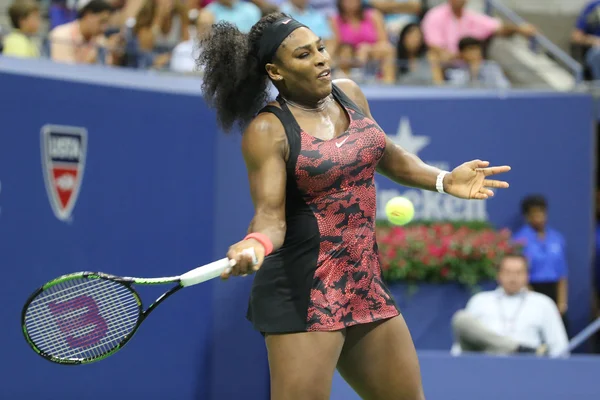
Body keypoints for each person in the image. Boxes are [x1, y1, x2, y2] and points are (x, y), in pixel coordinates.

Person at [197, 12, 511, 399]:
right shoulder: (269, 130)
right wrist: (255, 243)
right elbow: (270, 216)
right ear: (275, 71)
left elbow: (390, 156)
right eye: (304, 55)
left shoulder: (349, 93)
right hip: (304, 292)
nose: (321, 59)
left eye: (321, 48)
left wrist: (444, 180)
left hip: (363, 282)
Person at [451, 254, 569, 358]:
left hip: (526, 365)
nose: (513, 278)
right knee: (461, 318)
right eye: (507, 272)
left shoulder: (543, 303)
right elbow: (460, 345)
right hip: (485, 362)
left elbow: (559, 346)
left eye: (518, 273)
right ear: (499, 275)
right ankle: (517, 348)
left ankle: (517, 350)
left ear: (527, 276)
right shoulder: (480, 300)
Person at [512, 195, 569, 330]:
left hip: (553, 291)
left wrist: (561, 303)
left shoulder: (557, 238)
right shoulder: (519, 240)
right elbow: (520, 273)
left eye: (541, 212)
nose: (539, 217)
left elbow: (562, 273)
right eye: (534, 214)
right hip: (531, 291)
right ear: (527, 216)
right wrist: (533, 300)